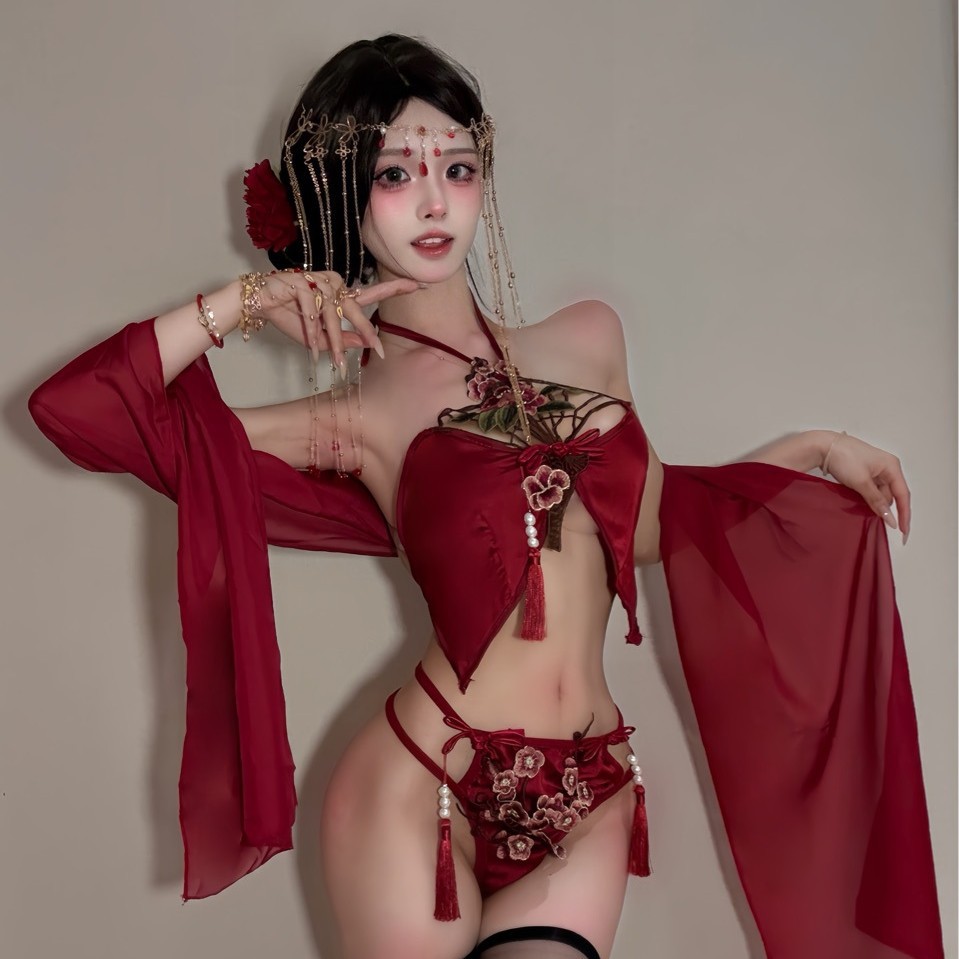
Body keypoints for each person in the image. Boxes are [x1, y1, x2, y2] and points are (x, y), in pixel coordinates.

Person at [28, 33, 942, 959]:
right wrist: (248, 301)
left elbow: (644, 524)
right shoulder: (355, 417)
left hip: (590, 788)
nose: (434, 201)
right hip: (421, 787)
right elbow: (79, 413)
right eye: (395, 174)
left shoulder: (589, 337)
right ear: (342, 196)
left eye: (457, 168)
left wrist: (809, 450)